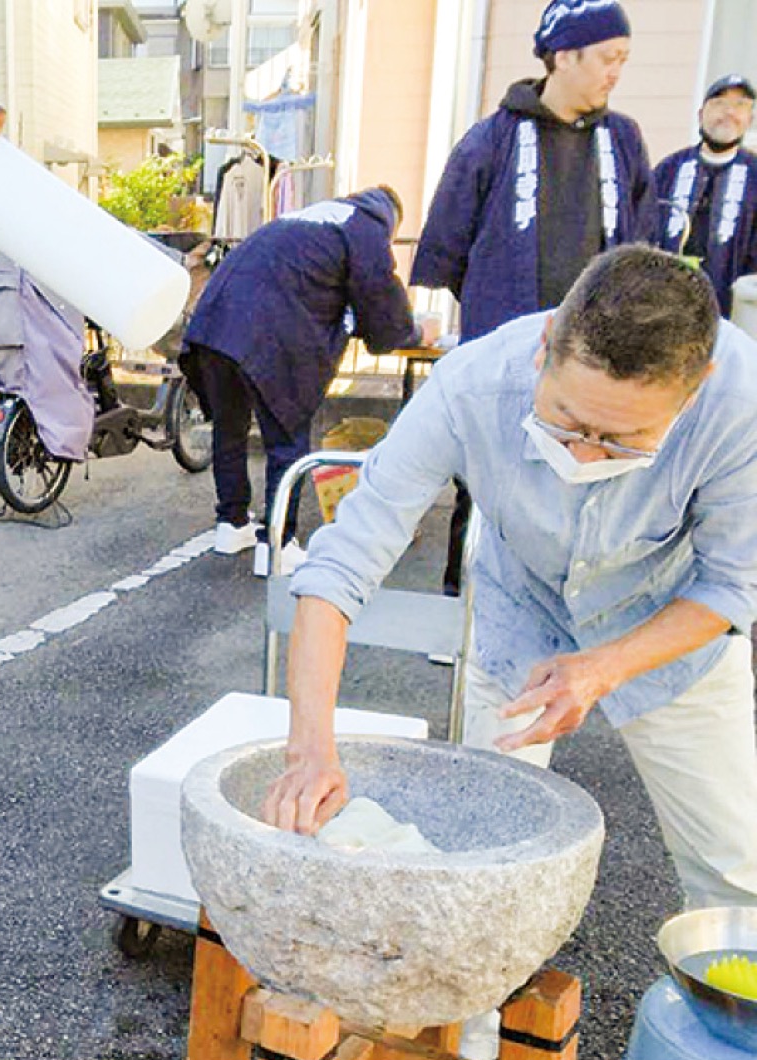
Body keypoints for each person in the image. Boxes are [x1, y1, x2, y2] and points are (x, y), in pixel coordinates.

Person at [264, 246, 757, 929]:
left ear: (696, 386)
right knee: (483, 855)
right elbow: (342, 563)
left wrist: (605, 667)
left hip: (672, 631)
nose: (584, 455)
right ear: (546, 345)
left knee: (734, 870)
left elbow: (732, 584)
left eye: (622, 440)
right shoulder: (469, 384)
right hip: (520, 618)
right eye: (568, 421)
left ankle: (728, 1033)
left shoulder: (742, 401)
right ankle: (469, 1027)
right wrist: (311, 748)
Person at [411, 0, 655, 596]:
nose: (616, 71)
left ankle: (567, 611)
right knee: (489, 480)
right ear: (564, 56)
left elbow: (641, 244)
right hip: (509, 346)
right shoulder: (491, 140)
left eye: (622, 59)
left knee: (591, 486)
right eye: (608, 57)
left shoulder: (621, 139)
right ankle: (464, 604)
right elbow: (446, 244)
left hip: (598, 353)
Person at [180, 187, 433, 578]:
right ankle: (278, 545)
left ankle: (231, 524)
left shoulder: (309, 217)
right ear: (391, 218)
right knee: (287, 434)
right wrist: (414, 333)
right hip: (267, 331)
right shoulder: (365, 225)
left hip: (213, 324)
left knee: (229, 429)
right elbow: (380, 297)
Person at [654, 74, 757, 317]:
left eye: (740, 105)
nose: (729, 113)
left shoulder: (754, 176)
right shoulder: (669, 169)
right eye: (719, 104)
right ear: (701, 114)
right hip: (664, 303)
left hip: (730, 310)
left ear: (749, 120)